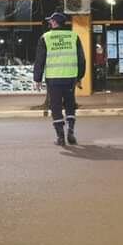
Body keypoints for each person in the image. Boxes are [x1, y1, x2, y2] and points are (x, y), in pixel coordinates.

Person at [33, 12, 86, 146]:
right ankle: (71, 131)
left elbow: (40, 60)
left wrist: (37, 79)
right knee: (70, 104)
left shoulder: (46, 37)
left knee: (56, 106)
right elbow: (81, 59)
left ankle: (60, 137)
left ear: (55, 22)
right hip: (70, 78)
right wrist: (80, 76)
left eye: (50, 21)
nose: (49, 23)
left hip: (53, 78)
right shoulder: (74, 36)